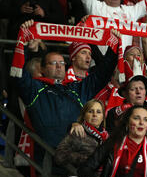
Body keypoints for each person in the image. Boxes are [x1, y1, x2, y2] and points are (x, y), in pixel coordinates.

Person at [14, 20, 118, 154]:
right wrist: (25, 44)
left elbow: (102, 74)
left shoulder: (77, 88)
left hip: (75, 155)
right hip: (46, 156)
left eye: (62, 62)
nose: (59, 66)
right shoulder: (35, 88)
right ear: (43, 69)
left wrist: (113, 47)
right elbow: (18, 74)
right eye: (54, 63)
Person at [54, 99, 108, 177]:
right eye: (90, 111)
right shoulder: (77, 132)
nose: (94, 115)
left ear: (103, 116)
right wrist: (85, 159)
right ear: (84, 115)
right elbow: (59, 156)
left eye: (98, 112)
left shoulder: (108, 137)